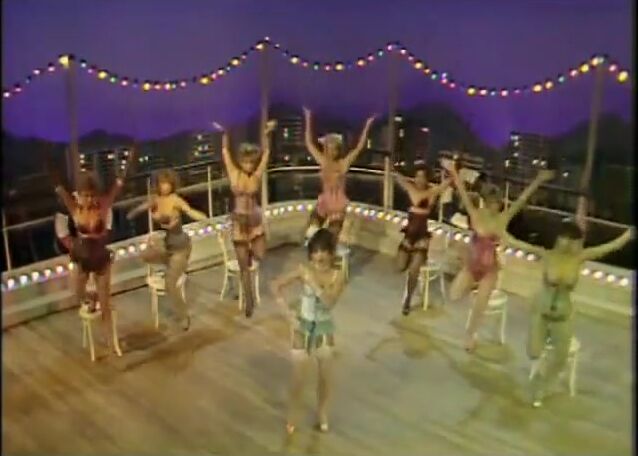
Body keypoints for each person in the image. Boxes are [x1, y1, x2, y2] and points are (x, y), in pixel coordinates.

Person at [504, 221, 633, 407]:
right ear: (559, 239)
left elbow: (609, 247)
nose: (570, 244)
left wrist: (626, 236)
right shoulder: (547, 255)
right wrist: (502, 232)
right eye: (567, 239)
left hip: (563, 315)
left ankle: (541, 386)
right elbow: (517, 243)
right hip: (541, 310)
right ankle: (540, 372)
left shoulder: (580, 257)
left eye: (574, 241)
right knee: (533, 352)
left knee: (560, 358)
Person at [444, 161, 555, 352]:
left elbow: (521, 200)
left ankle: (470, 336)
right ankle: (473, 287)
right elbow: (462, 192)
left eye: (497, 202)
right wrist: (453, 171)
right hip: (472, 264)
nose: (495, 205)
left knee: (479, 307)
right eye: (492, 202)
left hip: (490, 269)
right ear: (486, 201)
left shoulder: (502, 219)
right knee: (453, 295)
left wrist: (538, 180)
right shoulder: (476, 214)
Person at [48, 152, 134, 357]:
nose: (89, 199)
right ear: (79, 194)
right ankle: (91, 297)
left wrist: (133, 153)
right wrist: (47, 154)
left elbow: (120, 182)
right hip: (81, 258)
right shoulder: (74, 208)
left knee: (105, 304)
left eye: (92, 195)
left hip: (101, 259)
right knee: (77, 293)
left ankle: (111, 341)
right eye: (85, 195)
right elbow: (59, 186)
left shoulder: (103, 206)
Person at [270, 228, 346, 434]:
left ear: (331, 254)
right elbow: (275, 286)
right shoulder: (303, 269)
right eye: (314, 255)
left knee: (325, 378)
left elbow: (329, 302)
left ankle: (322, 413)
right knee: (298, 378)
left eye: (323, 256)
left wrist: (313, 283)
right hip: (302, 326)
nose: (318, 260)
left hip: (324, 328)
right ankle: (293, 414)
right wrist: (288, 314)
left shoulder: (338, 276)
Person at [126, 169, 208, 331]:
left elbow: (189, 210)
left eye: (167, 183)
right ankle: (170, 267)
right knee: (145, 254)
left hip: (180, 247)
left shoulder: (175, 200)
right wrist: (132, 213)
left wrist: (203, 217)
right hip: (167, 245)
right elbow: (141, 208)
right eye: (162, 183)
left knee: (170, 284)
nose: (165, 186)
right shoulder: (155, 200)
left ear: (172, 184)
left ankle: (183, 316)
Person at [217, 120, 276, 318]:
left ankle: (251, 253)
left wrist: (266, 135)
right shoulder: (234, 173)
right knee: (244, 267)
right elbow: (225, 151)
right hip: (239, 221)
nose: (249, 165)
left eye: (251, 162)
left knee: (260, 254)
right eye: (245, 162)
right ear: (240, 161)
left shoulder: (257, 175)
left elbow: (267, 154)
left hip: (255, 219)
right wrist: (226, 132)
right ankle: (248, 300)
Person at [303, 107, 375, 240]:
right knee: (310, 232)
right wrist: (308, 117)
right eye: (329, 148)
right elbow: (309, 143)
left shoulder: (343, 163)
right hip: (324, 202)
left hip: (337, 205)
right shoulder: (323, 161)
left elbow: (359, 147)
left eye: (334, 149)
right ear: (325, 149)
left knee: (330, 238)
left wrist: (367, 125)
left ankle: (329, 249)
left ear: (338, 150)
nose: (332, 152)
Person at [394, 164, 452, 315]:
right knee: (399, 267)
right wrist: (394, 165)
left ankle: (408, 300)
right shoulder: (410, 188)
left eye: (422, 176)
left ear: (427, 179)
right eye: (417, 176)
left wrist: (453, 172)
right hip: (409, 234)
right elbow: (398, 177)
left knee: (414, 270)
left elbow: (445, 185)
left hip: (422, 236)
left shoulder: (431, 192)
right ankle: (413, 259)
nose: (419, 179)